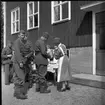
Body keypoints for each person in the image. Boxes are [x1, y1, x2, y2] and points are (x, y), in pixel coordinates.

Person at [12, 30, 34, 99]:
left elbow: (26, 51)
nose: (23, 36)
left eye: (23, 35)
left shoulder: (21, 42)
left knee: (17, 77)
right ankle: (19, 94)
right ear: (18, 35)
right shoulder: (17, 42)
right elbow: (18, 53)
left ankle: (16, 92)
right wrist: (20, 62)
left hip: (19, 61)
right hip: (17, 61)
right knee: (21, 77)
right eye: (21, 35)